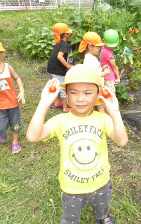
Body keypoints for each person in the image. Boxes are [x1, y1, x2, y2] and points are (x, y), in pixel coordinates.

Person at [26, 64, 128, 224]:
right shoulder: (61, 120)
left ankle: (102, 216)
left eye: (87, 93)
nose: (80, 99)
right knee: (71, 217)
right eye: (73, 93)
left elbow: (122, 141)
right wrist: (44, 103)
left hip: (100, 182)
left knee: (102, 207)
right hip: (72, 187)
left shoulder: (103, 119)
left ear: (98, 95)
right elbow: (33, 136)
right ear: (65, 94)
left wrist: (115, 112)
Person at [78, 31, 110, 112]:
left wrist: (101, 68)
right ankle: (101, 121)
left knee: (100, 105)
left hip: (97, 86)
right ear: (89, 46)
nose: (99, 49)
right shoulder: (89, 59)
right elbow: (91, 75)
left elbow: (94, 70)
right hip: (95, 87)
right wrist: (104, 73)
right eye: (98, 47)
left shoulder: (91, 57)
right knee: (101, 106)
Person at [47, 22, 74, 113]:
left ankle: (56, 103)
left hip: (51, 70)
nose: (70, 34)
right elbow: (59, 56)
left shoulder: (58, 42)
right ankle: (65, 109)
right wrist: (68, 66)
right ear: (64, 34)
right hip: (58, 71)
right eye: (68, 33)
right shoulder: (64, 45)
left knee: (56, 86)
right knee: (63, 88)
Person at [100, 29, 120, 96]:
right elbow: (114, 66)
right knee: (111, 96)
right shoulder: (109, 53)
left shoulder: (101, 49)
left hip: (102, 76)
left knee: (103, 95)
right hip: (109, 77)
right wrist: (118, 77)